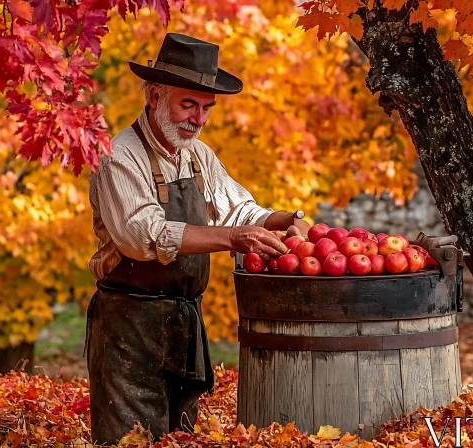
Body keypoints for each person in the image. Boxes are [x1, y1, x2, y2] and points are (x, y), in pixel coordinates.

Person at [85, 33, 310, 445]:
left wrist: (288, 219)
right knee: (129, 440)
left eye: (206, 107)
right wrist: (233, 239)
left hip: (184, 323)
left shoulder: (198, 155)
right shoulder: (120, 154)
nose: (199, 118)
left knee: (181, 438)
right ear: (155, 96)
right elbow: (143, 235)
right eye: (189, 104)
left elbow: (239, 210)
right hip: (129, 328)